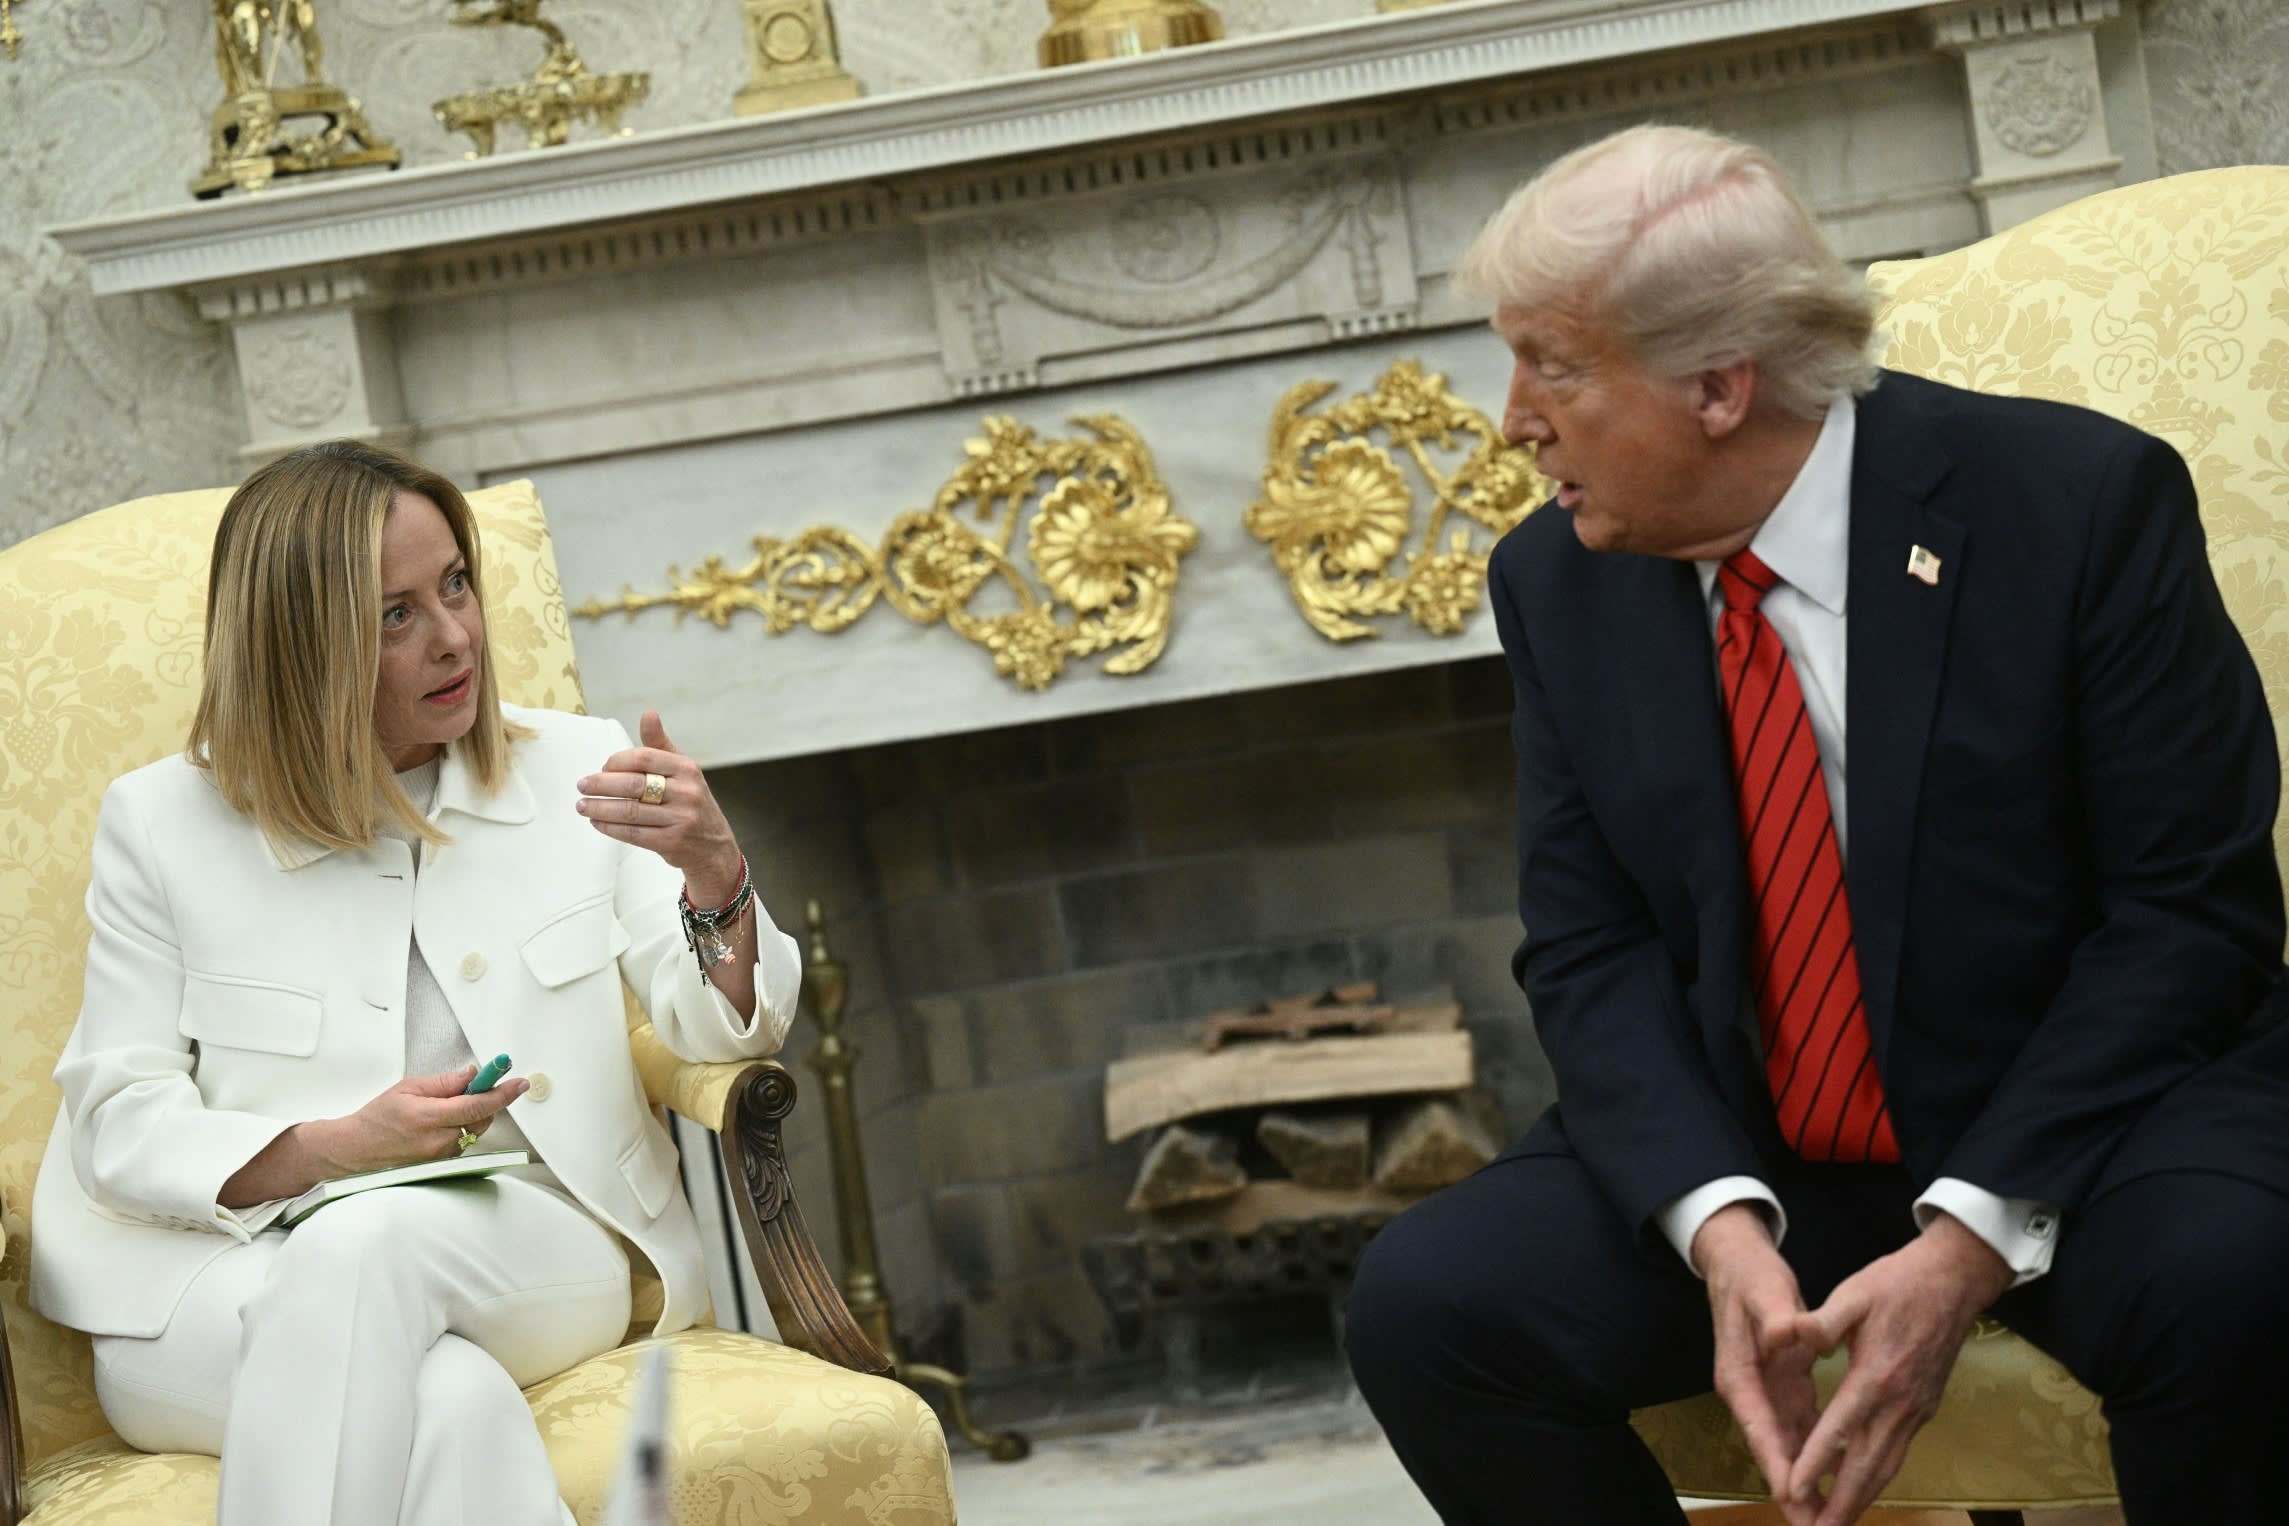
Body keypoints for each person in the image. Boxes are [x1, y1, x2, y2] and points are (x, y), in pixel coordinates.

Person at [1343, 123, 2289, 1526]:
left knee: (2232, 1280)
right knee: (1432, 1307)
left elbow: (2188, 914)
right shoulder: (1558, 577)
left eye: (1553, 363)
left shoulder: (2074, 504)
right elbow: (1588, 947)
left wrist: (1971, 1232)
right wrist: (1715, 1224)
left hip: (2088, 1110)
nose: (1511, 418)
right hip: (1768, 1135)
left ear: (1718, 385)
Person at [29, 439, 805, 1526]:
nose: (454, 637)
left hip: (533, 1234)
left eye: (455, 586)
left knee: (366, 1243)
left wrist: (714, 870)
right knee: (448, 1399)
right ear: (304, 647)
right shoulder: (162, 823)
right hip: (203, 1286)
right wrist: (338, 1144)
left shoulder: (576, 767)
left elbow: (724, 1026)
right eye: (395, 614)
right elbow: (118, 1120)